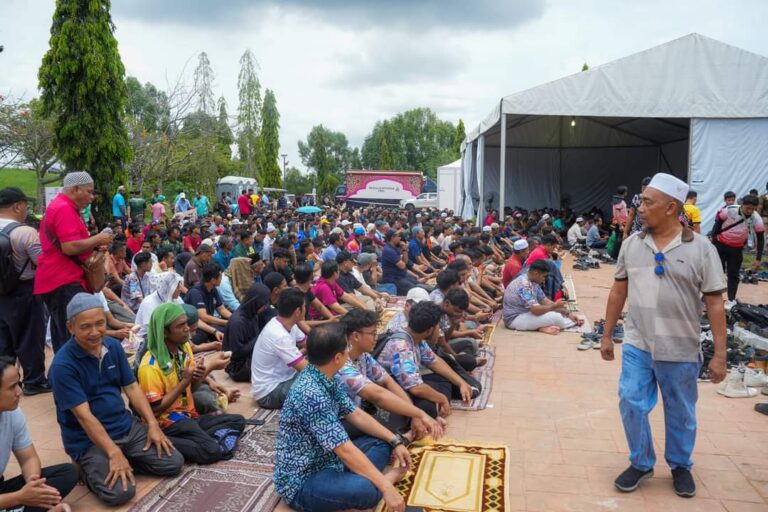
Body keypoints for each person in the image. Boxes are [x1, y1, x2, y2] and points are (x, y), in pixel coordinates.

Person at [599, 173, 728, 498]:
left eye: (647, 202)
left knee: (681, 410)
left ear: (672, 208)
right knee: (630, 401)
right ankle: (641, 462)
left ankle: (680, 464)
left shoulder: (701, 249)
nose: (640, 208)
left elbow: (714, 303)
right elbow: (618, 290)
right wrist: (607, 333)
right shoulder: (632, 244)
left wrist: (720, 355)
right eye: (640, 200)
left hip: (680, 347)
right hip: (638, 344)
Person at [48, 293, 183, 505]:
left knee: (173, 462)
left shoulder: (112, 346)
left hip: (124, 426)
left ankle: (125, 458)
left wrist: (152, 424)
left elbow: (131, 386)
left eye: (100, 323)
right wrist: (112, 452)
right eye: (85, 326)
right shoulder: (62, 366)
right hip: (88, 441)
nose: (94, 332)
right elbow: (84, 417)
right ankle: (87, 467)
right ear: (70, 327)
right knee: (121, 493)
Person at [274, 323, 411, 512]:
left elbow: (355, 413)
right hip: (304, 480)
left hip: (329, 459)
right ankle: (382, 479)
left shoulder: (322, 375)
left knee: (382, 440)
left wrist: (395, 441)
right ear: (337, 358)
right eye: (346, 348)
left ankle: (355, 483)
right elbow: (344, 450)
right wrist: (387, 485)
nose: (349, 352)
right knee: (368, 491)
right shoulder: (310, 393)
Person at [137, 304, 245, 464]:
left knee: (239, 421)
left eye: (186, 324)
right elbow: (156, 408)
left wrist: (200, 374)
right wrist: (186, 381)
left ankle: (200, 438)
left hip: (188, 415)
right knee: (211, 451)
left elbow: (191, 389)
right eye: (180, 326)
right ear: (165, 332)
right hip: (167, 422)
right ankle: (165, 439)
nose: (187, 329)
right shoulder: (150, 366)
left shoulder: (184, 348)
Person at [35, 171, 114, 352]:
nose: (91, 197)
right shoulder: (63, 208)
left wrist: (93, 245)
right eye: (89, 191)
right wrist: (99, 238)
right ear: (76, 189)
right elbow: (69, 247)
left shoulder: (64, 207)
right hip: (64, 279)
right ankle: (73, 375)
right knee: (74, 336)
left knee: (63, 335)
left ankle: (66, 375)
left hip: (61, 279)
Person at [337, 309, 444, 440]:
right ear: (356, 336)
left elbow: (387, 381)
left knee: (416, 409)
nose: (376, 338)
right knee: (380, 430)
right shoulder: (341, 363)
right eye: (372, 333)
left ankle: (402, 436)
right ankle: (400, 439)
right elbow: (378, 396)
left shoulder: (363, 356)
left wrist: (415, 415)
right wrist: (420, 415)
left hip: (359, 412)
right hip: (341, 422)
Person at [0, 358, 78, 512]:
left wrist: (34, 484)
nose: (19, 392)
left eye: (19, 384)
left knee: (68, 472)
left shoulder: (12, 413)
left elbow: (28, 457)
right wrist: (19, 497)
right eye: (12, 387)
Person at [377, 301, 472, 420]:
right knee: (427, 407)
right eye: (438, 327)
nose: (439, 331)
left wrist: (461, 382)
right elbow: (415, 388)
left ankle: (438, 404)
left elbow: (434, 361)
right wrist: (441, 398)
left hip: (406, 385)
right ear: (429, 330)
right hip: (392, 392)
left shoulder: (416, 338)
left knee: (443, 380)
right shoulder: (402, 347)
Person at [0, 188, 49, 396]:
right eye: (25, 205)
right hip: (24, 290)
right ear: (17, 206)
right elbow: (42, 262)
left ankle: (6, 382)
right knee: (29, 336)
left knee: (3, 339)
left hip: (2, 293)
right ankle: (34, 381)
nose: (26, 210)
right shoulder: (25, 232)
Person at [250, 288, 308, 409]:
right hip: (269, 391)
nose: (306, 310)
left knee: (324, 374)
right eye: (304, 306)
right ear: (298, 311)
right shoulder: (279, 335)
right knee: (317, 386)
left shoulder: (285, 322)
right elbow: (306, 368)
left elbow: (308, 344)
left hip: (286, 378)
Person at [503, 259, 580, 334]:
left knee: (557, 314)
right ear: (536, 273)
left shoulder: (532, 281)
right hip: (514, 319)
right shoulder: (524, 285)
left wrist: (567, 313)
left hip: (526, 314)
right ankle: (572, 322)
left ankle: (541, 327)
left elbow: (545, 301)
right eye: (544, 276)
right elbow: (535, 310)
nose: (544, 279)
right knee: (557, 318)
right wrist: (554, 306)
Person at [713, 194, 764, 306]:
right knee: (716, 273)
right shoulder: (729, 210)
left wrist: (758, 258)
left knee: (733, 275)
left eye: (752, 209)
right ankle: (712, 299)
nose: (749, 211)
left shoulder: (756, 219)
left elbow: (760, 239)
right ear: (742, 205)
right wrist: (713, 242)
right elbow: (717, 225)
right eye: (747, 208)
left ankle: (731, 300)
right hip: (720, 245)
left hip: (736, 249)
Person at [223, 284, 271, 382]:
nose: (265, 307)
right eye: (264, 304)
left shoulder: (253, 314)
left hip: (250, 356)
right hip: (237, 366)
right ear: (256, 303)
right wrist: (259, 338)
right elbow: (235, 353)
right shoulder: (238, 322)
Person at [185, 263, 231, 332]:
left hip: (210, 323)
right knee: (228, 330)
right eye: (220, 276)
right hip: (198, 327)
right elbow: (203, 317)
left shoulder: (213, 289)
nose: (221, 279)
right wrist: (226, 322)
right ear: (213, 280)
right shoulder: (195, 293)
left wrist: (234, 318)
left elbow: (221, 309)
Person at [380, 230, 419, 296]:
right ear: (392, 238)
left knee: (419, 284)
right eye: (398, 237)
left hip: (401, 276)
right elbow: (402, 266)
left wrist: (404, 250)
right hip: (393, 279)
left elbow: (405, 262)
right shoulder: (388, 250)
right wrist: (404, 250)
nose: (400, 238)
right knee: (416, 290)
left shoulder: (395, 247)